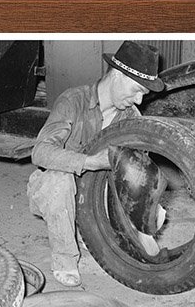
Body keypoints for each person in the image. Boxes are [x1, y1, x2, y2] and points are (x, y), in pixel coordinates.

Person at [27, 40, 165, 287]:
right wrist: (90, 162)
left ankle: (86, 229)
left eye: (143, 94)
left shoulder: (131, 117)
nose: (139, 100)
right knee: (59, 180)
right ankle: (65, 258)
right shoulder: (73, 101)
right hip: (54, 189)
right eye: (136, 90)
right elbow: (40, 152)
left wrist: (143, 223)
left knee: (153, 212)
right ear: (117, 75)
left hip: (95, 197)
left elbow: (136, 175)